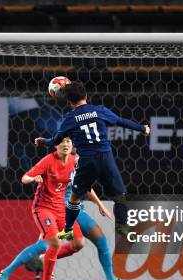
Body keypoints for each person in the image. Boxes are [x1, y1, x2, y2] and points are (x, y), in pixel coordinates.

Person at [0, 138, 128, 280]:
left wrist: (100, 205)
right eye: (64, 142)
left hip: (69, 209)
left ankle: (109, 279)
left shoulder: (76, 161)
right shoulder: (57, 159)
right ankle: (40, 273)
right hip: (66, 210)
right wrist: (34, 178)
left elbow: (85, 186)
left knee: (74, 243)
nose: (67, 145)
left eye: (69, 142)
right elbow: (27, 177)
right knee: (53, 242)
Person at [34, 81, 150, 240]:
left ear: (69, 101)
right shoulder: (99, 111)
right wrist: (142, 129)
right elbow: (121, 121)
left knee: (73, 198)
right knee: (120, 196)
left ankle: (67, 229)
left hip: (87, 161)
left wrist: (43, 141)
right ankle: (121, 226)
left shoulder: (70, 118)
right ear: (86, 96)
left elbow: (55, 140)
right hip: (106, 158)